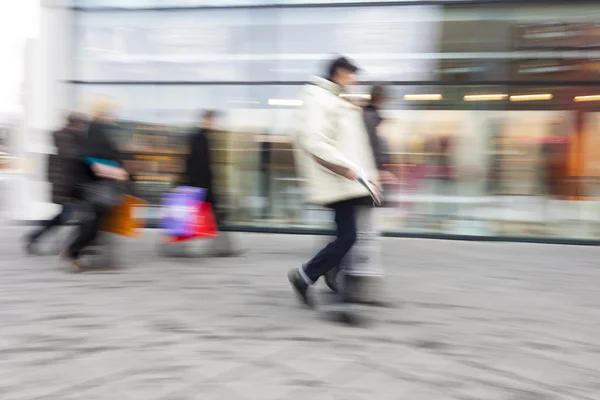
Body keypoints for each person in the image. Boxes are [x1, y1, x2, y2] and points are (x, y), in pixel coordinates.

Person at [288, 56, 380, 308]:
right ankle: (305, 276)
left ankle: (329, 272)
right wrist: (349, 169)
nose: (355, 80)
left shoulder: (332, 98)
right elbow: (316, 141)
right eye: (352, 74)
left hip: (346, 180)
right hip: (339, 180)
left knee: (345, 235)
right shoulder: (318, 98)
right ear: (340, 72)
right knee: (348, 237)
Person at [323, 84, 394, 296]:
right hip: (359, 184)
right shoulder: (369, 117)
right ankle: (339, 274)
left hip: (354, 184)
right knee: (356, 234)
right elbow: (370, 150)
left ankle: (334, 270)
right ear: (383, 99)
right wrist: (380, 172)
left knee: (350, 234)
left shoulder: (366, 116)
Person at [61, 98, 129, 271]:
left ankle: (80, 254)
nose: (112, 117)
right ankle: (72, 252)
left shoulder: (96, 130)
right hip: (94, 186)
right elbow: (92, 160)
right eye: (109, 113)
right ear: (101, 113)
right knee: (92, 224)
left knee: (96, 223)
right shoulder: (95, 130)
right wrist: (118, 173)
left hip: (96, 186)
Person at [25, 113, 86, 255]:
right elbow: (72, 156)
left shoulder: (73, 136)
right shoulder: (63, 136)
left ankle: (36, 237)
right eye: (80, 123)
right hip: (66, 183)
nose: (82, 126)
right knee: (72, 215)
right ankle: (71, 246)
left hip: (71, 182)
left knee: (66, 215)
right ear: (73, 123)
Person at [185, 110, 242, 257]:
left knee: (214, 219)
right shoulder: (198, 138)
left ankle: (225, 248)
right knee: (205, 219)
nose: (215, 123)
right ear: (206, 120)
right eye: (212, 120)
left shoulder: (204, 137)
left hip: (202, 186)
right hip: (200, 187)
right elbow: (196, 165)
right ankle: (225, 248)